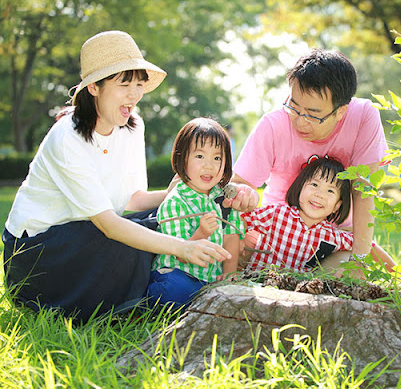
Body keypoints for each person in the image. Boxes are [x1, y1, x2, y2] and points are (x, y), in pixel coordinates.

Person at [1, 31, 256, 322]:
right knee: (131, 242)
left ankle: (199, 280)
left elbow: (134, 199)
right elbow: (109, 225)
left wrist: (195, 189)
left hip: (90, 231)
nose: (134, 95)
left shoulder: (132, 125)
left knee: (162, 218)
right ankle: (153, 295)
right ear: (95, 87)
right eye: (124, 84)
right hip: (40, 254)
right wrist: (183, 248)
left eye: (139, 84)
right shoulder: (67, 136)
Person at [232, 49, 396, 271]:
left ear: (340, 111)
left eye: (312, 114)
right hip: (277, 235)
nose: (300, 122)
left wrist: (360, 261)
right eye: (294, 106)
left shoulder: (364, 116)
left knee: (344, 271)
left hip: (335, 238)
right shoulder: (272, 125)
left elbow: (363, 190)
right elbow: (241, 184)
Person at [147, 118, 243, 307]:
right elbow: (181, 253)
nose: (209, 166)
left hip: (209, 278)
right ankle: (150, 301)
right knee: (174, 290)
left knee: (233, 292)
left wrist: (229, 274)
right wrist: (202, 233)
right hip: (178, 273)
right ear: (182, 158)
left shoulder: (223, 199)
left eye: (217, 158)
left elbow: (231, 237)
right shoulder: (175, 202)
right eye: (200, 156)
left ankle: (205, 296)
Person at [242, 156, 382, 273]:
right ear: (300, 187)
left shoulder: (331, 236)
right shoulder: (276, 215)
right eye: (314, 185)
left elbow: (367, 244)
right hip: (257, 281)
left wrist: (396, 273)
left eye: (330, 191)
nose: (320, 195)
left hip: (298, 293)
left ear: (337, 206)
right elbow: (240, 219)